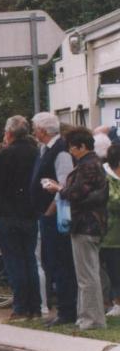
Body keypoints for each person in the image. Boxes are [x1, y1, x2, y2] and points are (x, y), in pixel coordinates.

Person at [44, 127, 108, 330]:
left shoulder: (88, 165)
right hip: (88, 224)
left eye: (72, 147)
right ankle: (86, 317)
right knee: (87, 274)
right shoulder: (91, 163)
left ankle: (92, 320)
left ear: (81, 146)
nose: (70, 151)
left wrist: (58, 189)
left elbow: (77, 193)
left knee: (87, 276)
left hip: (85, 224)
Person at [0, 115, 42, 321]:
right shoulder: (35, 153)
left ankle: (20, 307)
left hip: (8, 214)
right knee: (30, 259)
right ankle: (35, 307)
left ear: (9, 133)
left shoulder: (4, 155)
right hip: (29, 214)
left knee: (14, 261)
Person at [30, 112, 77, 328]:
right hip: (46, 214)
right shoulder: (45, 150)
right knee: (52, 262)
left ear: (43, 130)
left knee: (61, 262)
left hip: (57, 215)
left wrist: (51, 209)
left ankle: (68, 309)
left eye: (35, 128)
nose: (33, 132)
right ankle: (64, 307)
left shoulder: (60, 152)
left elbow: (64, 184)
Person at [100, 144, 120, 318]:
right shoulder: (106, 177)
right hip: (110, 234)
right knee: (113, 270)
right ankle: (114, 303)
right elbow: (113, 202)